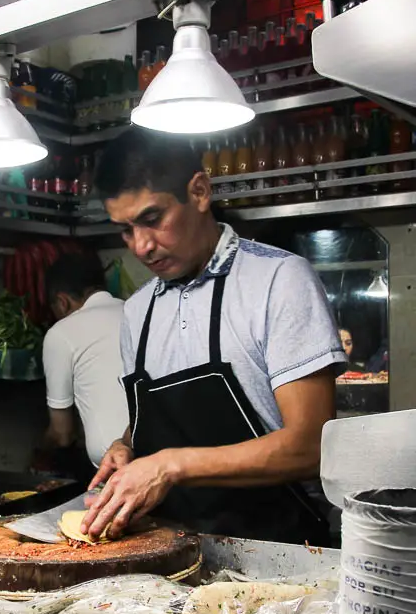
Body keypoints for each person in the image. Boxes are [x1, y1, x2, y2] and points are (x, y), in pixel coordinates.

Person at [82, 129, 347, 545]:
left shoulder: (277, 281)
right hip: (166, 550)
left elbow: (312, 446)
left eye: (153, 220)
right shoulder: (137, 310)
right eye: (126, 230)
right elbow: (157, 419)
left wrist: (170, 466)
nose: (141, 246)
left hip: (279, 553)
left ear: (200, 191)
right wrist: (126, 445)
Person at [37, 253, 128, 473]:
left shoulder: (61, 333)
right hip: (165, 459)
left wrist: (38, 452)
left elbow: (63, 434)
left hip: (116, 469)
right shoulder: (137, 311)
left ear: (62, 301)